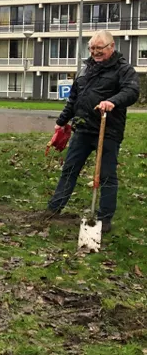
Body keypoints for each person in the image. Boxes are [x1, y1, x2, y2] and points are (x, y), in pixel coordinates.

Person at [45, 30, 139, 233]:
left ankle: (104, 219)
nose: (95, 52)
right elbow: (74, 99)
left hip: (108, 131)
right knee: (69, 169)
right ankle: (54, 208)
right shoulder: (85, 69)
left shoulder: (123, 69)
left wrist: (112, 101)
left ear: (111, 47)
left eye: (99, 48)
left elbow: (131, 91)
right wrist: (61, 122)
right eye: (92, 48)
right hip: (82, 129)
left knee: (106, 175)